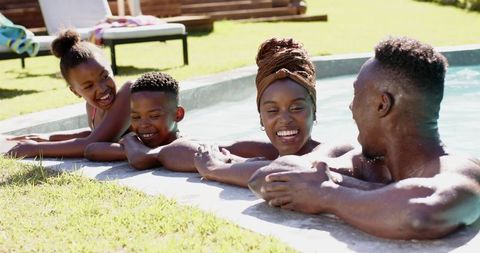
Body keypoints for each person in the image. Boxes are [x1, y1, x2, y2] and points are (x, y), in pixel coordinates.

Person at [248, 37, 480, 240]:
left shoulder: (464, 171)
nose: (351, 106)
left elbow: (419, 215)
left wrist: (326, 194)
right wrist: (367, 188)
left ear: (382, 104)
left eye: (357, 94)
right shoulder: (369, 164)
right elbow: (267, 177)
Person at [193, 38, 352, 187]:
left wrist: (213, 168)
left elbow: (290, 171)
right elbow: (176, 151)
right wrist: (231, 160)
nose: (284, 119)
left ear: (314, 111)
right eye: (272, 110)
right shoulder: (264, 152)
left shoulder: (337, 150)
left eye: (296, 108)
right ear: (261, 118)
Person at [6, 29, 132, 158]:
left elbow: (94, 141)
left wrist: (36, 148)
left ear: (111, 69)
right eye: (89, 86)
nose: (101, 88)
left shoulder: (129, 93)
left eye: (105, 76)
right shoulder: (92, 107)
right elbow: (95, 133)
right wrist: (47, 137)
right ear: (75, 91)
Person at [84, 71, 203, 172]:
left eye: (154, 116)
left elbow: (139, 159)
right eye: (136, 117)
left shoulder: (186, 146)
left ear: (178, 114)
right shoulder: (138, 144)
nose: (143, 124)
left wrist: (137, 150)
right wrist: (130, 141)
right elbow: (91, 150)